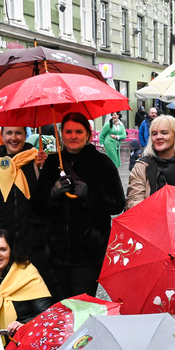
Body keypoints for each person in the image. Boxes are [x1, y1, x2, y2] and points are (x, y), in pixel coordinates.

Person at [38, 112, 127, 299]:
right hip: (58, 252)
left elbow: (117, 204)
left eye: (78, 131)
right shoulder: (53, 163)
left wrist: (90, 195)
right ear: (61, 133)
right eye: (68, 131)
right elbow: (36, 206)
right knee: (60, 308)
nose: (73, 136)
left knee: (83, 307)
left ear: (88, 134)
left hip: (89, 253)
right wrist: (52, 194)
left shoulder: (102, 163)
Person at [0, 125, 51, 290]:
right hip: (3, 243)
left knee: (35, 292)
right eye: (9, 133)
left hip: (34, 241)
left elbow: (45, 201)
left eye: (18, 133)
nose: (14, 138)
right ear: (2, 135)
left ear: (26, 135)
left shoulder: (36, 161)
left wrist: (41, 170)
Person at [0, 229, 51, 335]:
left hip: (28, 336)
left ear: (11, 251)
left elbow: (46, 314)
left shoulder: (27, 273)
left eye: (3, 249)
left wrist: (24, 324)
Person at [126, 115, 175, 207]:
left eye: (164, 133)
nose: (158, 137)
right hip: (149, 218)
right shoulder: (142, 165)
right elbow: (134, 201)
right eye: (154, 134)